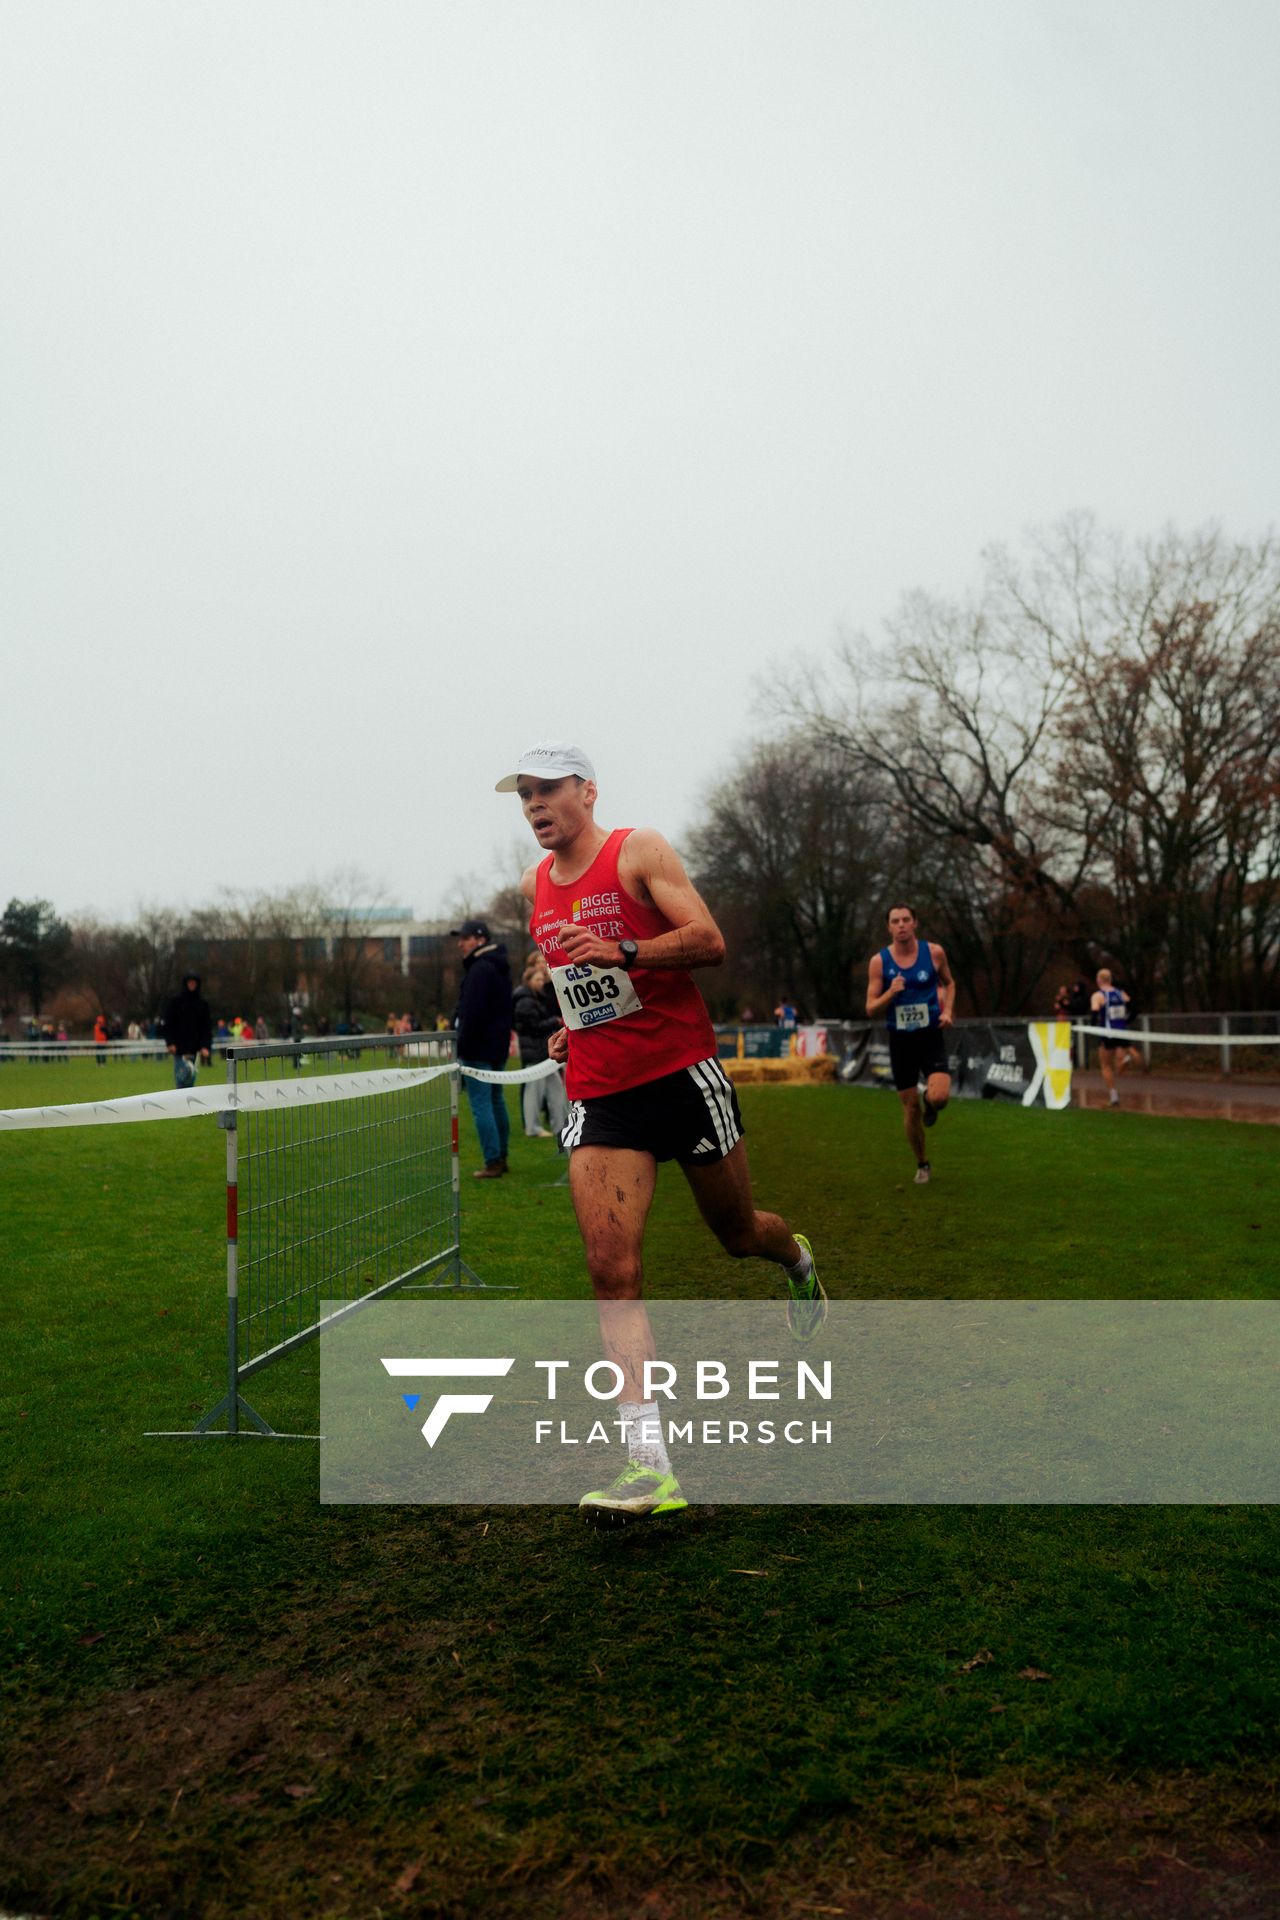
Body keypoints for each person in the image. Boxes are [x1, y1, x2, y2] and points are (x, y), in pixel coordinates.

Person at [502, 739, 824, 1526]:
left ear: (587, 790)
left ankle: (798, 1261)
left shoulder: (636, 851)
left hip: (683, 1077)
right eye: (524, 797)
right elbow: (584, 986)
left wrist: (627, 947)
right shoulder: (532, 886)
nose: (535, 806)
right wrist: (572, 1030)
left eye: (548, 790)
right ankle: (649, 1466)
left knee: (739, 1233)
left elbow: (709, 942)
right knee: (611, 1268)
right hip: (603, 1095)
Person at [865, 904, 956, 1186]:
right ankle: (922, 1163)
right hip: (901, 1041)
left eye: (906, 919)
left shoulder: (935, 952)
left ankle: (931, 1101)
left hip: (930, 1036)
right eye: (895, 921)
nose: (901, 924)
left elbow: (950, 984)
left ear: (915, 922)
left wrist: (948, 1011)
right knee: (910, 1109)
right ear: (889, 927)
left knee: (940, 1097)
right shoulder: (879, 962)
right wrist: (890, 993)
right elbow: (870, 1008)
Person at [451, 918, 514, 1179]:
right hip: (497, 1046)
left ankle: (492, 1160)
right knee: (495, 1100)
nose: (460, 944)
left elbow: (472, 1013)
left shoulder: (480, 969)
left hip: (478, 1048)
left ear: (480, 939)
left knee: (481, 1104)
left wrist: (462, 1048)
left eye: (465, 938)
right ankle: (501, 1156)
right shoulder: (499, 967)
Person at [512, 954, 569, 1139]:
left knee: (556, 1089)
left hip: (542, 1053)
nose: (541, 982)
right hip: (534, 1052)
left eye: (542, 979)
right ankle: (532, 1127)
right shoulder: (525, 1001)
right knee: (533, 1091)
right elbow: (531, 1026)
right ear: (528, 981)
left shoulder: (535, 998)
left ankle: (560, 1125)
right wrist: (553, 1021)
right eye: (537, 979)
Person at [1091, 968, 1141, 1106]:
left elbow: (1094, 1015)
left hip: (1107, 1032)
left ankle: (1113, 1096)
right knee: (1118, 1067)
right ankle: (1127, 1058)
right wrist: (1126, 1021)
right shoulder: (1121, 994)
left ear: (1099, 980)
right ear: (1110, 980)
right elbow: (1135, 1010)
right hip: (1122, 1031)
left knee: (1105, 1065)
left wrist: (1092, 1027)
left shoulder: (1098, 996)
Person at [162, 973, 213, 1088]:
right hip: (179, 1049)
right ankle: (182, 1104)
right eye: (190, 982)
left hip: (194, 1050)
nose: (192, 984)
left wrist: (205, 1046)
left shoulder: (202, 1004)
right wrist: (170, 1043)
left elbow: (206, 1027)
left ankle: (188, 1104)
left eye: (194, 982)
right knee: (182, 1080)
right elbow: (168, 1023)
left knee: (190, 1081)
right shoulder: (176, 1002)